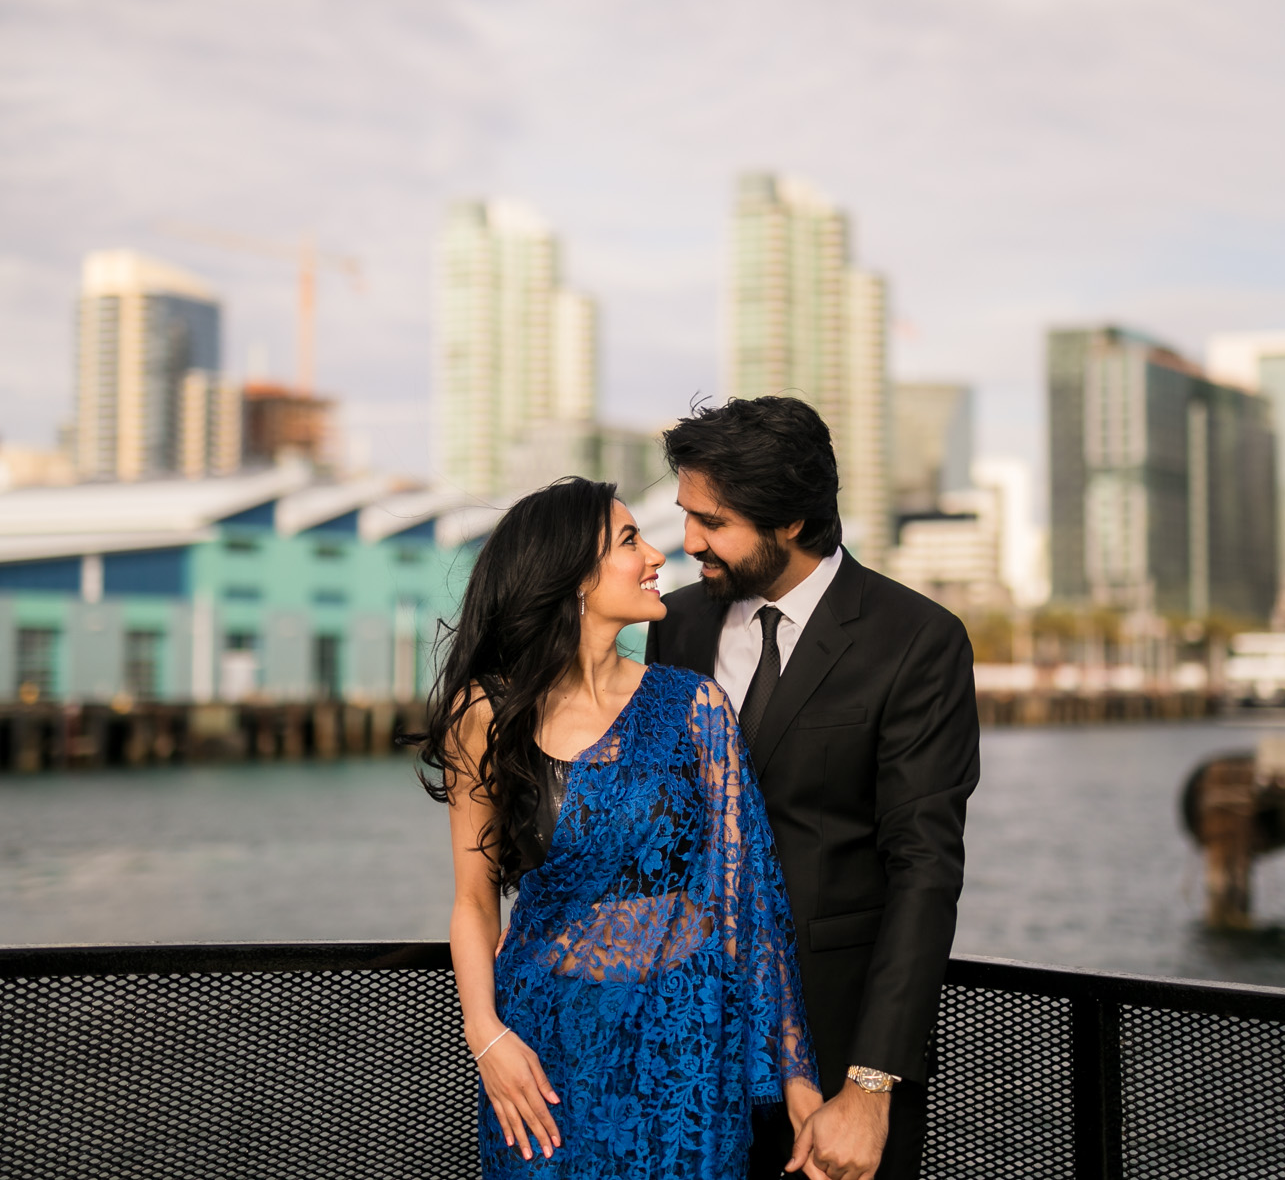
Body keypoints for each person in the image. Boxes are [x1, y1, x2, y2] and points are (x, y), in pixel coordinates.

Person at [413, 477, 822, 1178]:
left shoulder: (694, 706)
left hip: (685, 1049)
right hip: (542, 1054)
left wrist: (798, 1083)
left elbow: (749, 899)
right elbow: (474, 901)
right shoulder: (485, 711)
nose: (658, 553)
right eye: (631, 539)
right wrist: (486, 1034)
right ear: (573, 573)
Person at [644, 397, 981, 1180]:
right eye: (685, 514)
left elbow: (923, 871)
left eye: (713, 521)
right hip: (687, 1044)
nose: (688, 541)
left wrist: (871, 1083)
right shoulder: (679, 621)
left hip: (837, 1054)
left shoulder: (917, 641)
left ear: (791, 521)